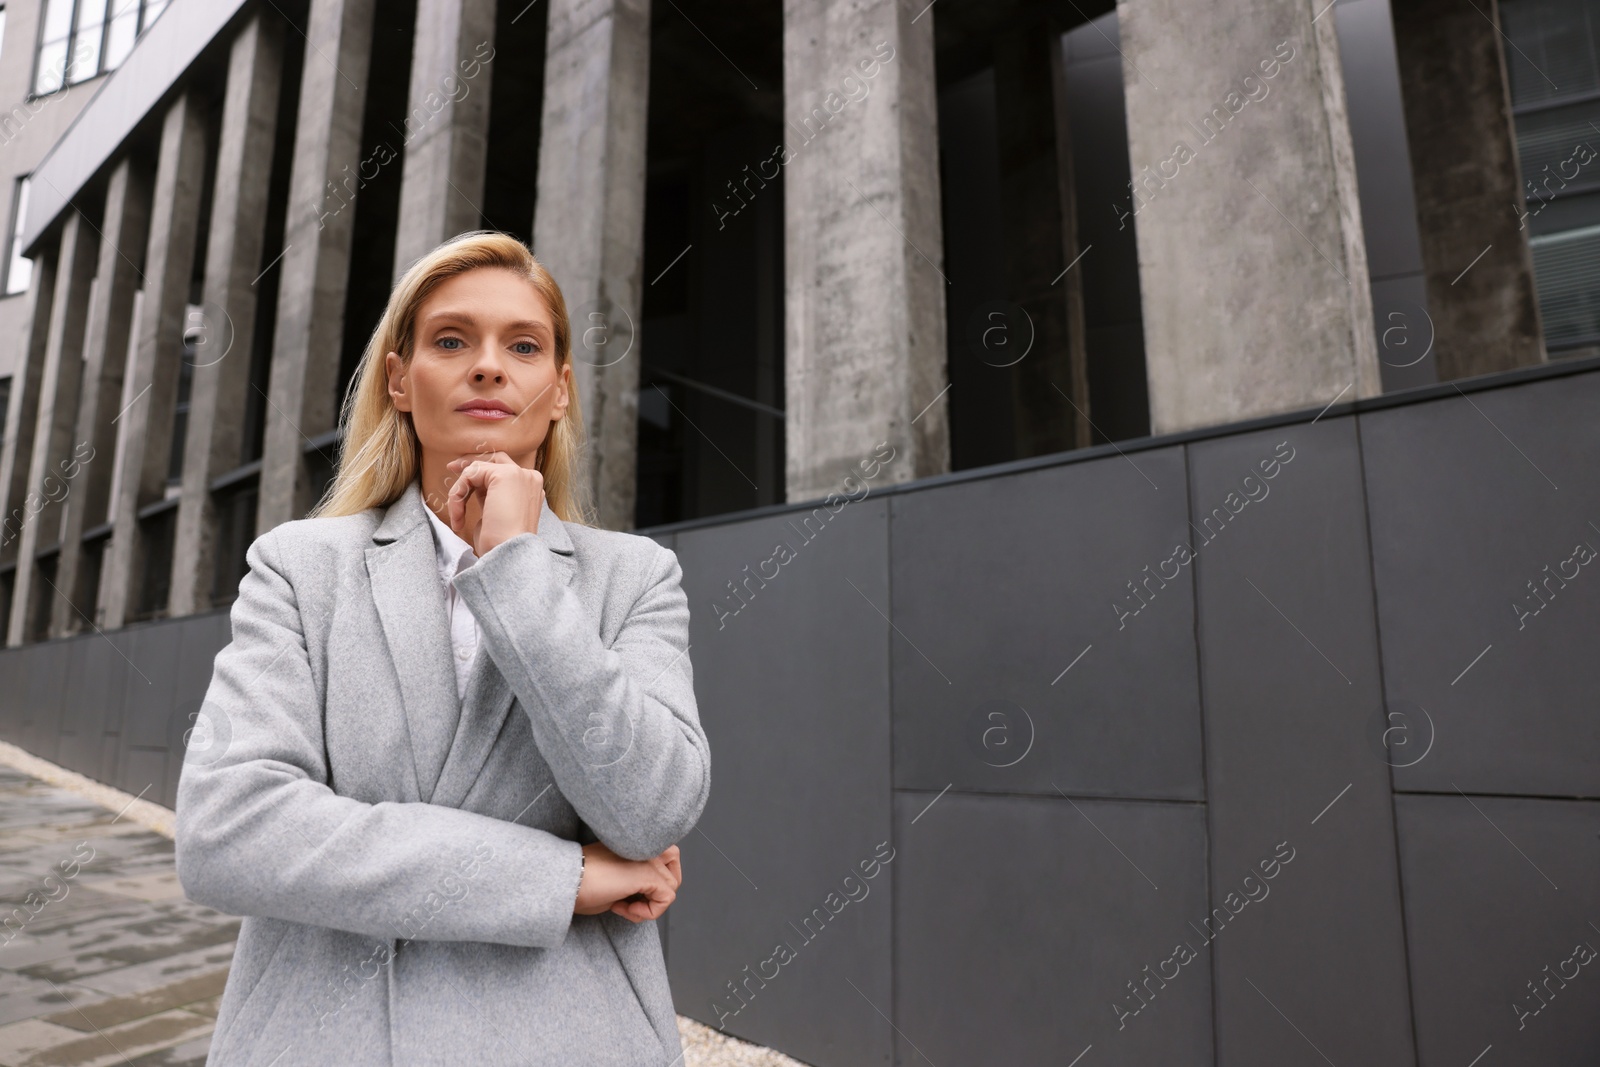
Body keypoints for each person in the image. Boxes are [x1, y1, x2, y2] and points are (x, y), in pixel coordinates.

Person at [174, 230, 709, 1065]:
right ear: (399, 378)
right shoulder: (300, 567)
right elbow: (226, 832)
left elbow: (650, 808)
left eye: (523, 346)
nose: (489, 366)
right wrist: (560, 878)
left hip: (568, 1035)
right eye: (451, 340)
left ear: (560, 389)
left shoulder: (634, 577)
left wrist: (516, 573)